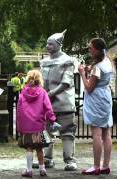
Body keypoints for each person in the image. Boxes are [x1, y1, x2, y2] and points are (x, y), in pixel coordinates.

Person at [38, 29, 77, 171]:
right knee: (46, 132)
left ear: (59, 44)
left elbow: (66, 82)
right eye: (47, 44)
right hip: (46, 104)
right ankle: (47, 159)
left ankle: (70, 160)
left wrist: (50, 94)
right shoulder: (44, 62)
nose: (47, 46)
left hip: (64, 103)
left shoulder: (67, 60)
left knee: (67, 132)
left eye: (51, 44)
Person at [78, 38, 114, 175]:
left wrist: (82, 73)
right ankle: (105, 165)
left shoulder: (98, 67)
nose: (89, 50)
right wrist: (90, 70)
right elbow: (99, 77)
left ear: (97, 50)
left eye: (90, 48)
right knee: (106, 132)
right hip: (105, 97)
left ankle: (95, 166)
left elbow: (89, 87)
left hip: (96, 100)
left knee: (97, 134)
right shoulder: (107, 62)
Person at [16, 69, 61, 178]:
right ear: (39, 79)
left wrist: (19, 125)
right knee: (39, 148)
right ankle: (42, 169)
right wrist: (52, 120)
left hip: (27, 126)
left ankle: (29, 170)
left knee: (29, 147)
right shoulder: (42, 92)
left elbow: (19, 109)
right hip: (38, 125)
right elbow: (48, 108)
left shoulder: (23, 92)